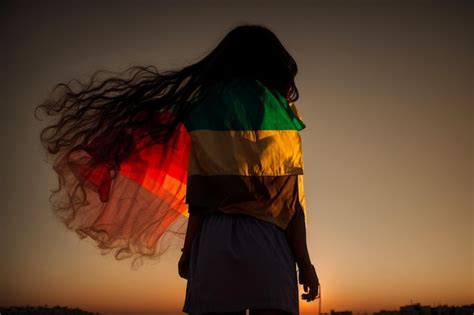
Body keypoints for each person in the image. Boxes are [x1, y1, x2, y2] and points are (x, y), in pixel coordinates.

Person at [35, 23, 319, 315]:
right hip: (269, 245)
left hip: (214, 242)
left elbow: (199, 199)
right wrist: (305, 265)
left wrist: (188, 252)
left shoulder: (204, 108)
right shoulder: (284, 118)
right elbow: (292, 204)